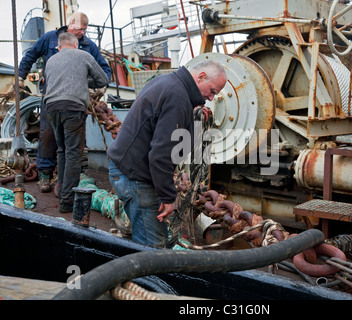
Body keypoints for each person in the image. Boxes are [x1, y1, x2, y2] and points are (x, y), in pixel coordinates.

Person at [107, 60, 227, 248]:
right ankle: (143, 277)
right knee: (153, 248)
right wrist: (169, 198)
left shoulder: (169, 82)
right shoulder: (177, 97)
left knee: (156, 240)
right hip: (135, 177)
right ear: (201, 77)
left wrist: (193, 118)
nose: (211, 98)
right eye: (212, 91)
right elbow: (161, 155)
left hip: (132, 171)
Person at [18, 12, 111, 193]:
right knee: (47, 134)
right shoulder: (49, 39)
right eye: (79, 29)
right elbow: (31, 55)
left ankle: (65, 182)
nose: (82, 33)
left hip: (75, 100)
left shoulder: (88, 46)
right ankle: (46, 173)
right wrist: (21, 76)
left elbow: (104, 71)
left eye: (84, 30)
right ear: (69, 24)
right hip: (51, 96)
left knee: (71, 144)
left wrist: (94, 87)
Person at [44, 32, 109, 213]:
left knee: (62, 150)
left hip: (52, 107)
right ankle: (67, 201)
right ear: (75, 45)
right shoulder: (84, 55)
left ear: (59, 47)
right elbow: (103, 79)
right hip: (73, 107)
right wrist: (83, 79)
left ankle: (63, 189)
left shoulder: (51, 61)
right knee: (73, 153)